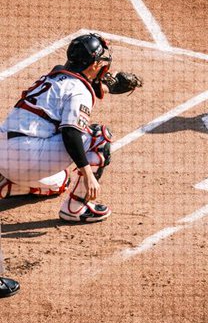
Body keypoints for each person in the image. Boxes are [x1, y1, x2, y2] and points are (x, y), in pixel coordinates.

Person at [0, 33, 123, 223]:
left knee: (60, 182)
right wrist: (88, 175)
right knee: (100, 137)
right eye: (100, 61)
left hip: (4, 157)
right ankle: (76, 208)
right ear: (94, 65)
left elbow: (74, 81)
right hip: (29, 155)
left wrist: (107, 87)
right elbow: (70, 134)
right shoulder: (79, 90)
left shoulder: (51, 77)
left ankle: (10, 184)